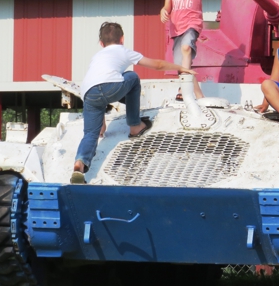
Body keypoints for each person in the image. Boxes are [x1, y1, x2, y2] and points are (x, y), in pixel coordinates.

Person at [71, 22, 196, 184]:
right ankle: (135, 126)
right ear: (122, 39)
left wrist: (100, 125)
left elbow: (98, 86)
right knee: (132, 77)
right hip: (111, 87)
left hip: (88, 92)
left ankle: (80, 163)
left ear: (101, 44)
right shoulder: (123, 51)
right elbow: (157, 65)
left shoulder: (96, 57)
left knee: (90, 134)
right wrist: (182, 68)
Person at [160, 0, 242, 101]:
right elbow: (167, 6)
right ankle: (199, 96)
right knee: (183, 67)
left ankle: (183, 88)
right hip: (177, 29)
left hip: (192, 25)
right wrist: (163, 10)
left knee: (186, 48)